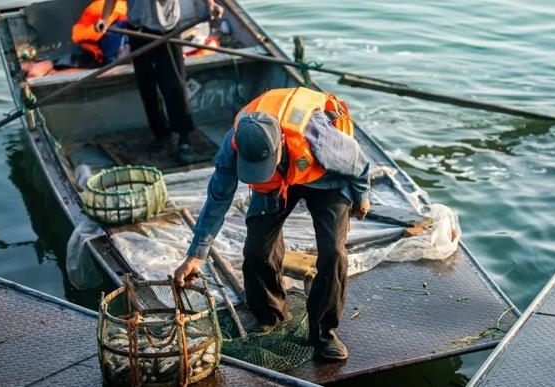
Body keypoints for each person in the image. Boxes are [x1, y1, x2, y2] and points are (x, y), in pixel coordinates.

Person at [173, 87, 371, 361]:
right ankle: (270, 315)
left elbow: (359, 163)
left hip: (325, 179)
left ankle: (324, 333)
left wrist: (362, 197)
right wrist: (196, 255)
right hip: (277, 183)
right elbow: (218, 198)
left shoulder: (317, 137)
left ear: (278, 147)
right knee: (256, 249)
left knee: (334, 253)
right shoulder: (234, 143)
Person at [96, 0, 224, 162]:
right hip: (137, 31)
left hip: (166, 31)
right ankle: (161, 133)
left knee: (174, 84)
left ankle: (184, 136)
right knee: (146, 84)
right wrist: (105, 20)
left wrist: (211, 4)